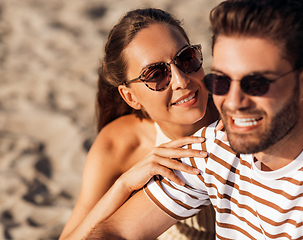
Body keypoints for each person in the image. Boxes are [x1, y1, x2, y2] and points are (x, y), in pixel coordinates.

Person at [84, 0, 303, 239]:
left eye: (257, 83)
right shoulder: (215, 144)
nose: (233, 102)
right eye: (223, 79)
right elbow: (114, 232)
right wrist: (124, 185)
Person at [59, 8, 218, 240]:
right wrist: (123, 186)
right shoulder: (121, 144)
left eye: (186, 58)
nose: (181, 80)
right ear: (130, 97)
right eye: (155, 75)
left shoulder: (237, 109)